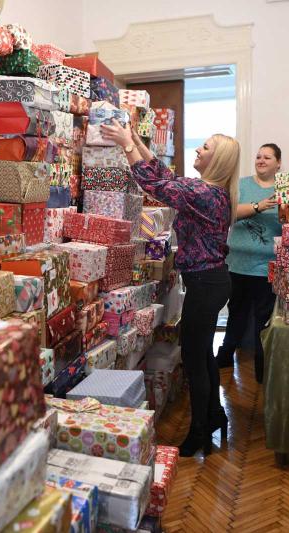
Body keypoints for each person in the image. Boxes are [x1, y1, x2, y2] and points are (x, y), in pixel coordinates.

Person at [101, 121, 239, 457]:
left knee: (195, 359)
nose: (197, 150)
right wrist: (135, 139)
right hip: (211, 281)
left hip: (206, 284)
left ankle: (199, 433)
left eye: (204, 148)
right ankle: (214, 417)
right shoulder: (209, 192)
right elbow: (166, 176)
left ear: (216, 159)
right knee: (203, 355)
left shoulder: (203, 195)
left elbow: (154, 184)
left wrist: (126, 146)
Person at [215, 144, 283, 382]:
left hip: (268, 267)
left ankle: (261, 367)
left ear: (278, 164)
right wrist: (258, 206)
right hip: (237, 265)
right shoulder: (241, 185)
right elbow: (227, 213)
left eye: (267, 157)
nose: (261, 160)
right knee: (236, 314)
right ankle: (224, 357)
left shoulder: (286, 188)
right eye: (258, 156)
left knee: (263, 320)